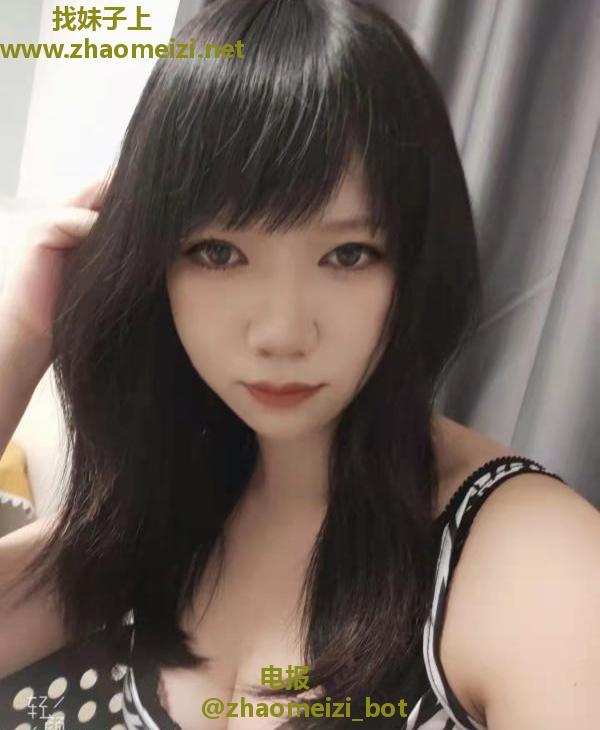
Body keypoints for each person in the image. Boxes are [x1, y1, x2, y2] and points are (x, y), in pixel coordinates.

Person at [1, 1, 599, 729]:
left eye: (348, 255)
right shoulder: (170, 507)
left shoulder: (533, 561)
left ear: (414, 267)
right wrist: (23, 336)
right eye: (219, 252)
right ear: (154, 266)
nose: (282, 333)